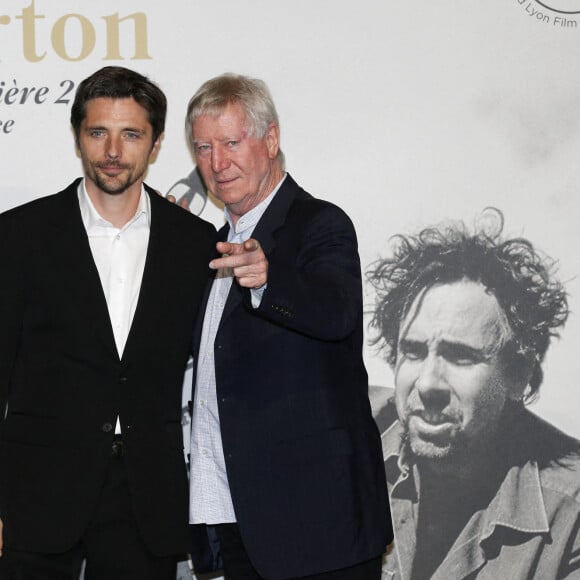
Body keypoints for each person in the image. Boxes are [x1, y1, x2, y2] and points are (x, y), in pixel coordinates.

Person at [0, 66, 216, 579]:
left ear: (157, 143)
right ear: (78, 138)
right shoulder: (19, 236)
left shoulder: (195, 245)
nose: (113, 150)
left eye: (131, 134)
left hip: (145, 497)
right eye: (99, 132)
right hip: (36, 491)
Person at [185, 73, 392, 580]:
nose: (217, 163)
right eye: (204, 147)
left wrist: (266, 282)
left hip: (319, 527)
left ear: (271, 139)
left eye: (232, 142)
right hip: (237, 522)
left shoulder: (319, 223)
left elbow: (336, 311)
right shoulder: (207, 248)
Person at [367, 212, 580, 580]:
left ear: (518, 375)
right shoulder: (337, 438)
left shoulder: (570, 515)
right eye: (413, 352)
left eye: (461, 356)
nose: (428, 383)